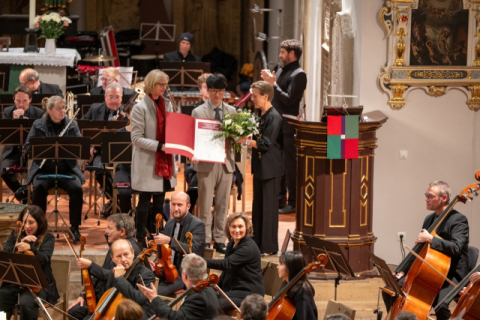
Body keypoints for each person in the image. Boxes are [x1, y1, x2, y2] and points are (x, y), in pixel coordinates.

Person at [382, 181, 469, 320]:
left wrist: (431, 239)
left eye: (430, 196)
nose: (426, 199)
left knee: (440, 303)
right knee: (390, 290)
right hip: (429, 271)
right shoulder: (429, 219)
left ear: (444, 198)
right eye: (426, 195)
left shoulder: (458, 220)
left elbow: (456, 248)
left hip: (450, 274)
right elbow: (420, 250)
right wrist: (403, 270)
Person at [25, 95, 85, 240]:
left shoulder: (72, 125)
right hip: (43, 169)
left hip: (67, 169)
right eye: (59, 108)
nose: (63, 111)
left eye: (64, 107)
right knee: (38, 188)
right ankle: (39, 226)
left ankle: (75, 227)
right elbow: (28, 146)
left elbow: (80, 147)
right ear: (49, 110)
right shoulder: (38, 124)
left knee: (77, 188)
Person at [131, 69, 177, 248]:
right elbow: (135, 138)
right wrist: (160, 146)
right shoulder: (140, 107)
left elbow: (172, 129)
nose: (164, 88)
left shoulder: (167, 103)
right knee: (144, 201)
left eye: (166, 84)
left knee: (159, 201)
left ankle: (157, 234)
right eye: (161, 85)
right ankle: (140, 236)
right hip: (148, 162)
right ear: (151, 85)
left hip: (164, 160)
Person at [191, 73, 236, 254]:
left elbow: (236, 138)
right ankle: (204, 239)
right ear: (207, 91)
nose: (218, 95)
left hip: (226, 162)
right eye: (214, 91)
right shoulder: (198, 111)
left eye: (221, 91)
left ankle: (219, 239)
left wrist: (239, 137)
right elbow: (192, 137)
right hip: (206, 162)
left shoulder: (232, 112)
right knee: (205, 202)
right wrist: (193, 153)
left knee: (222, 204)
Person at [261, 39, 307, 214]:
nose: (280, 55)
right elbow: (275, 95)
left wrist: (273, 84)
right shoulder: (281, 70)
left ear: (292, 54)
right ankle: (279, 199)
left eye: (282, 52)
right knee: (277, 162)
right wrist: (268, 83)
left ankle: (293, 202)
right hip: (276, 123)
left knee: (289, 165)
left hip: (289, 125)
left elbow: (289, 100)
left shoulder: (299, 74)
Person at [237, 81, 283, 255]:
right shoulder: (262, 114)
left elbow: (264, 144)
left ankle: (269, 247)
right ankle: (257, 242)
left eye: (255, 96)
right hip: (261, 168)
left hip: (271, 169)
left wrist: (245, 141)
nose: (252, 99)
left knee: (268, 209)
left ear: (265, 96)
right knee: (258, 207)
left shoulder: (274, 117)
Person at [68, 214, 141, 320]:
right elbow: (99, 276)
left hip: (111, 302)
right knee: (73, 312)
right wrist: (83, 294)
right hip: (99, 297)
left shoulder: (129, 251)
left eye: (109, 228)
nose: (106, 232)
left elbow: (111, 275)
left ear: (122, 232)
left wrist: (91, 265)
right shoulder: (115, 246)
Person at [70, 239, 155, 320]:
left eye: (126, 254)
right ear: (112, 258)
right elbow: (102, 285)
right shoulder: (113, 272)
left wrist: (120, 279)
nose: (123, 260)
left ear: (132, 253)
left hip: (135, 315)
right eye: (118, 256)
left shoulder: (145, 274)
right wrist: (83, 295)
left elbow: (139, 299)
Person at [0, 205, 60, 320]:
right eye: (24, 222)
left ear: (39, 223)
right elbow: (5, 255)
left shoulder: (48, 238)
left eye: (31, 222)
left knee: (25, 302)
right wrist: (18, 244)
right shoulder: (15, 235)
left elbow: (45, 259)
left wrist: (31, 248)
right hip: (15, 283)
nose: (27, 226)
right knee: (2, 296)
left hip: (39, 285)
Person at [82, 82, 128, 213]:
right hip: (101, 152)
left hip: (122, 151)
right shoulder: (95, 109)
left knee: (123, 171)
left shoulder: (128, 112)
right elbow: (83, 128)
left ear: (122, 98)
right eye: (111, 96)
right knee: (99, 169)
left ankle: (120, 200)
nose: (114, 100)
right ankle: (115, 199)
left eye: (117, 97)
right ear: (105, 97)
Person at [204, 212, 265, 312]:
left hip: (248, 293)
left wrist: (199, 261)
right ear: (229, 228)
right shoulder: (232, 243)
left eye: (240, 226)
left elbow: (226, 264)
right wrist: (216, 287)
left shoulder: (247, 247)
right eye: (233, 226)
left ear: (247, 227)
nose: (237, 230)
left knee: (212, 306)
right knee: (203, 297)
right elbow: (227, 271)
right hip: (234, 289)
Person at [151, 192, 206, 296]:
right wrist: (155, 262)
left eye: (180, 205)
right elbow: (165, 251)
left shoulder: (197, 225)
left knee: (156, 292)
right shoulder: (170, 223)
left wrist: (169, 240)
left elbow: (192, 250)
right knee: (141, 280)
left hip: (183, 274)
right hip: (166, 269)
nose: (175, 208)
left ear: (188, 206)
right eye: (173, 204)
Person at [138, 253, 220, 320]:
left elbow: (175, 318)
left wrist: (154, 298)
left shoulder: (199, 297)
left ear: (184, 275)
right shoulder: (207, 287)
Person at [1, 85, 44, 201]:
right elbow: (5, 136)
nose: (21, 105)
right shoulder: (7, 111)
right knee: (4, 172)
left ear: (30, 99)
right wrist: (14, 123)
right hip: (13, 151)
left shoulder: (39, 113)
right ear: (14, 100)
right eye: (18, 101)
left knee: (35, 172)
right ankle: (24, 195)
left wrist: (29, 127)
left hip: (31, 152)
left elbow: (42, 136)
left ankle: (31, 197)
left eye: (24, 101)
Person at [277, 251, 317, 320]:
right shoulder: (286, 284)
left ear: (290, 267)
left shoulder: (302, 292)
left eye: (281, 264)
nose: (277, 267)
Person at [114, 106, 134, 214]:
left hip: (142, 170)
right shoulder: (120, 133)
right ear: (128, 115)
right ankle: (126, 221)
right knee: (124, 192)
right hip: (123, 170)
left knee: (149, 192)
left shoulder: (147, 134)